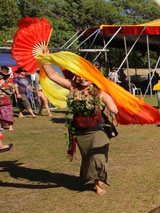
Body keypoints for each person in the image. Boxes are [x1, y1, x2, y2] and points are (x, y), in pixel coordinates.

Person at [40, 62, 119, 195]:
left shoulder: (100, 92)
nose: (82, 79)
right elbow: (52, 75)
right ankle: (91, 180)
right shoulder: (73, 87)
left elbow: (114, 108)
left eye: (86, 76)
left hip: (98, 131)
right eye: (80, 76)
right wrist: (44, 61)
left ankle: (98, 184)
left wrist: (112, 108)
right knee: (87, 157)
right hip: (81, 132)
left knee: (98, 157)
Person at [0, 67, 15, 132]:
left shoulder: (8, 83)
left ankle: (10, 125)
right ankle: (1, 126)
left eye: (1, 74)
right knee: (0, 114)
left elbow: (12, 90)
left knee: (8, 113)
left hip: (6, 100)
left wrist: (8, 92)